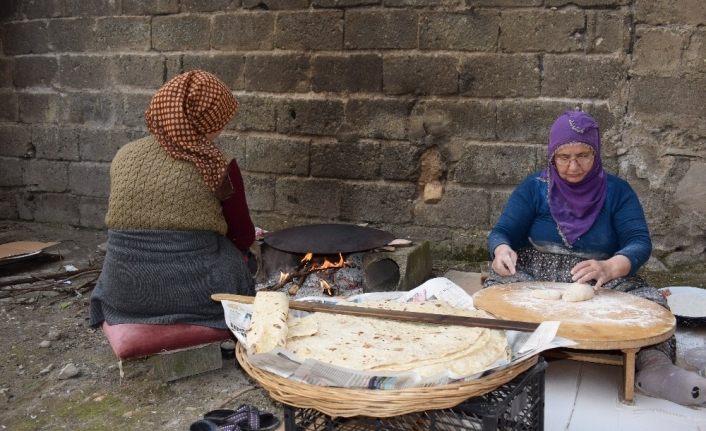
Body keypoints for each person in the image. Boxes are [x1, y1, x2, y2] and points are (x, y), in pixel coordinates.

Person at [486, 110, 705, 406]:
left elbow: (638, 242)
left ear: (596, 153)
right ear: (552, 155)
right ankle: (500, 357)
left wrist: (612, 265)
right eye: (563, 157)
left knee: (651, 302)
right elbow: (502, 232)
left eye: (582, 155)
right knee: (496, 288)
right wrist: (501, 250)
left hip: (598, 276)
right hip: (537, 271)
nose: (572, 166)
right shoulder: (535, 188)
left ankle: (656, 369)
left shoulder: (617, 192)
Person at [90, 70, 256, 330]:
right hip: (200, 295)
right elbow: (243, 236)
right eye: (219, 121)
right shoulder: (218, 164)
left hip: (123, 291)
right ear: (206, 121)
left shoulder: (124, 154)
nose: (222, 129)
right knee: (245, 260)